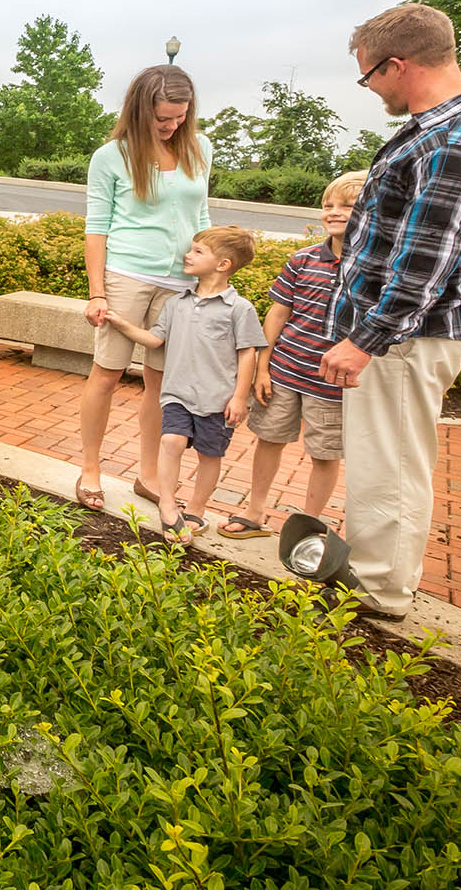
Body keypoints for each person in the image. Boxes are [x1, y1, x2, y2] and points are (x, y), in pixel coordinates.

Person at [316, 4, 461, 620]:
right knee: (382, 459)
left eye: (369, 76)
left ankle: (379, 593)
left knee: (392, 464)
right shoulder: (445, 126)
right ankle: (372, 574)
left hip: (408, 335)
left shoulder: (454, 142)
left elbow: (424, 260)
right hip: (402, 333)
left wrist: (366, 339)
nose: (370, 88)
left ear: (398, 65)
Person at [77, 65, 213, 512]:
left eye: (179, 116)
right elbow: (97, 228)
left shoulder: (200, 149)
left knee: (161, 384)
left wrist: (210, 275)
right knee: (108, 373)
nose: (171, 125)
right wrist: (97, 292)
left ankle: (148, 474)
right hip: (127, 277)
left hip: (180, 284)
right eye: (162, 119)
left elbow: (202, 217)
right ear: (139, 110)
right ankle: (91, 469)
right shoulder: (112, 155)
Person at [218, 171, 367, 539]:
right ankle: (255, 512)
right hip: (285, 371)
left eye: (347, 206)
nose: (334, 212)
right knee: (269, 439)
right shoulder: (303, 260)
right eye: (328, 205)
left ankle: (307, 526)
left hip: (333, 384)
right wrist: (262, 367)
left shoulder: (373, 268)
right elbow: (278, 314)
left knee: (324, 453)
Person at [101, 226, 266, 537]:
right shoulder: (177, 303)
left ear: (223, 265)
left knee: (209, 455)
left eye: (198, 251)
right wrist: (121, 322)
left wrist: (239, 397)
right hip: (177, 393)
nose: (187, 255)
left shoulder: (240, 309)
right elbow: (153, 340)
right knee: (170, 441)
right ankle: (167, 505)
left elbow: (248, 356)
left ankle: (196, 510)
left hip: (218, 399)